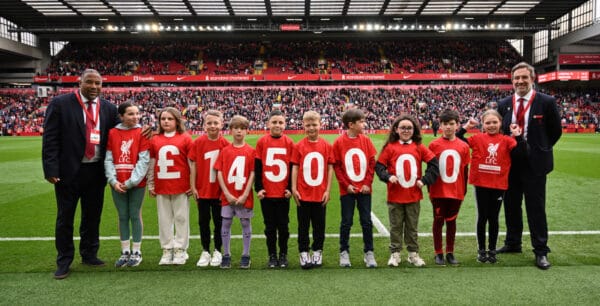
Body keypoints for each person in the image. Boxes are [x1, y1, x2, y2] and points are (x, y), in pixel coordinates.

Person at [42, 69, 119, 279]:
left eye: (98, 83)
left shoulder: (109, 109)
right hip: (68, 173)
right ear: (80, 82)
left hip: (95, 172)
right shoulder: (60, 104)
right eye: (90, 82)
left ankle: (89, 253)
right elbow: (50, 139)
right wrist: (50, 169)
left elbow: (120, 134)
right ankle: (64, 260)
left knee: (92, 216)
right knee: (65, 218)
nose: (94, 87)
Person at [496, 62, 562, 270]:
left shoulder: (546, 102)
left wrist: (539, 150)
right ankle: (513, 242)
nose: (520, 81)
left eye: (524, 77)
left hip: (535, 164)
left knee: (536, 207)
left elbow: (555, 132)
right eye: (517, 78)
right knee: (511, 205)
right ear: (512, 80)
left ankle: (541, 250)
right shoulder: (504, 103)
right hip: (511, 163)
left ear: (533, 79)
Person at [458, 110, 525, 264]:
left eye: (495, 122)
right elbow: (459, 139)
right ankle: (482, 250)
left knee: (493, 218)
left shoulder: (507, 140)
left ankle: (492, 250)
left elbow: (521, 154)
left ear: (501, 123)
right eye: (488, 122)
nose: (491, 125)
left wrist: (518, 136)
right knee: (482, 217)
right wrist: (466, 126)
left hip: (498, 184)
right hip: (481, 184)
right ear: (483, 124)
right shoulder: (477, 138)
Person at [375, 115, 439, 268]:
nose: (406, 130)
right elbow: (379, 167)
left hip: (413, 195)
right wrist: (387, 176)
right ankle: (395, 254)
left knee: (412, 227)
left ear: (414, 130)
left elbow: (434, 165)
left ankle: (413, 254)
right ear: (396, 130)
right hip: (395, 195)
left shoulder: (419, 147)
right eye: (402, 128)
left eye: (409, 128)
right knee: (395, 226)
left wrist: (424, 180)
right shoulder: (390, 147)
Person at [104, 102, 151, 268]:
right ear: (121, 116)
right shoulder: (113, 133)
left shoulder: (142, 132)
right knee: (122, 215)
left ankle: (137, 251)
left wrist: (131, 182)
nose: (135, 117)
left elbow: (144, 160)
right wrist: (113, 180)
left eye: (137, 113)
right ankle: (125, 252)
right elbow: (108, 159)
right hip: (117, 183)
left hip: (136, 183)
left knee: (134, 214)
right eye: (131, 114)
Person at [147, 107, 193, 266]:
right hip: (162, 185)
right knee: (164, 219)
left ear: (177, 121)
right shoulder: (154, 139)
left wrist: (192, 184)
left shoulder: (185, 138)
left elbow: (191, 163)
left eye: (170, 119)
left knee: (181, 218)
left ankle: (180, 249)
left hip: (181, 185)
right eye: (163, 119)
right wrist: (151, 183)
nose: (166, 121)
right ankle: (167, 249)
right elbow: (152, 163)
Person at [333, 109, 378, 268]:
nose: (364, 124)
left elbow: (372, 163)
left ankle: (369, 252)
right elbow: (337, 167)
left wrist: (367, 183)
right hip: (348, 190)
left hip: (365, 190)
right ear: (351, 125)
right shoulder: (339, 142)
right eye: (361, 122)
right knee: (346, 222)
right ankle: (344, 251)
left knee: (366, 221)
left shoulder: (366, 140)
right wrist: (347, 185)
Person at [291, 110, 335, 269]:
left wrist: (328, 190)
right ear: (303, 126)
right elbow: (295, 168)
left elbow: (330, 169)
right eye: (308, 125)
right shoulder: (299, 146)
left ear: (320, 125)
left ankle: (317, 250)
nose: (311, 128)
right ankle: (303, 252)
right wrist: (294, 188)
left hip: (319, 193)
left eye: (314, 125)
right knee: (302, 225)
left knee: (319, 225)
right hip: (303, 192)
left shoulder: (326, 146)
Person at [427, 109, 470, 266]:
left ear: (458, 125)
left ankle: (450, 252)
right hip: (438, 190)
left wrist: (463, 190)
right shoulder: (433, 145)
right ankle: (438, 253)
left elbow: (465, 170)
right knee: (438, 220)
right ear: (440, 125)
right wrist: (430, 189)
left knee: (452, 221)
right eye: (445, 124)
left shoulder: (463, 146)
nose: (448, 127)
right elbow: (430, 169)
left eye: (452, 124)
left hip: (456, 191)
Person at [189, 110, 230, 267]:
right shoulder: (198, 143)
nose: (213, 126)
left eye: (215, 123)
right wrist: (193, 186)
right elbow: (193, 165)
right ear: (204, 126)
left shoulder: (225, 144)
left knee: (219, 222)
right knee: (203, 222)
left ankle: (218, 250)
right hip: (203, 189)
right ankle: (205, 250)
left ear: (221, 124)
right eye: (209, 123)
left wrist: (225, 190)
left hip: (219, 192)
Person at [254, 110, 294, 268]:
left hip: (283, 193)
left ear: (284, 125)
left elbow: (292, 168)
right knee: (269, 227)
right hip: (267, 193)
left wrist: (290, 188)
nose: (277, 125)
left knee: (283, 227)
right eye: (274, 122)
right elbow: (258, 167)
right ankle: (272, 255)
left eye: (280, 122)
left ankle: (283, 254)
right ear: (268, 124)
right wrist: (259, 188)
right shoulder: (262, 142)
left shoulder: (289, 143)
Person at [215, 115, 256, 269]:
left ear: (247, 131)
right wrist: (226, 193)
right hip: (228, 196)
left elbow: (253, 173)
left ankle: (246, 255)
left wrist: (245, 194)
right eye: (236, 128)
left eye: (242, 128)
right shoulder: (225, 151)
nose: (239, 131)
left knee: (245, 222)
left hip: (244, 196)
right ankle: (226, 254)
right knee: (226, 222)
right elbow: (219, 172)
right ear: (230, 131)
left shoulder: (251, 151)